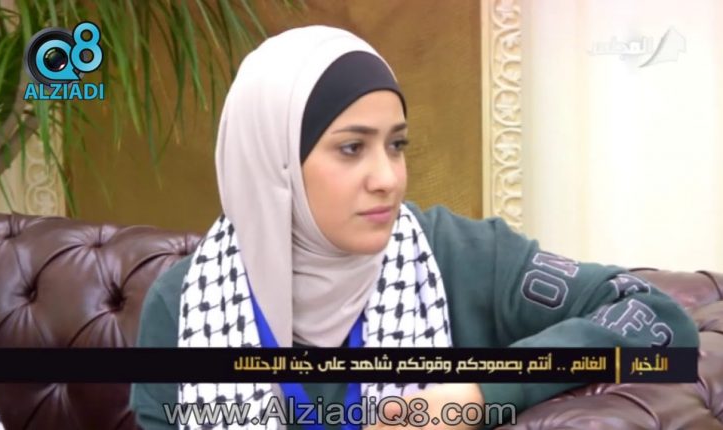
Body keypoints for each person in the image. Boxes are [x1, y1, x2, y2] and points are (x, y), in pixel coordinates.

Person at [130, 25, 699, 429]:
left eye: (396, 145)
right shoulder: (183, 306)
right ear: (274, 165)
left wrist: (476, 392)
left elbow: (654, 318)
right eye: (351, 148)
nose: (388, 178)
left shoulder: (458, 257)